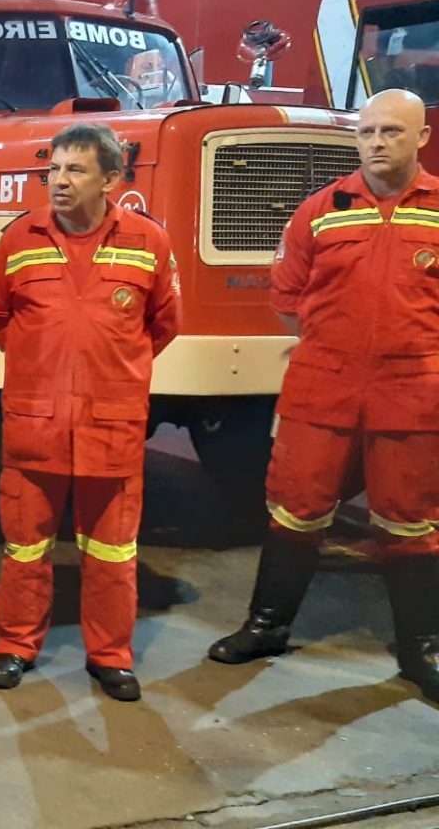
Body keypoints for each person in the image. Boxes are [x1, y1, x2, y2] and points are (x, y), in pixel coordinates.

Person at [208, 89, 439, 704]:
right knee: (294, 506)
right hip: (323, 386)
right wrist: (337, 348)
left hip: (413, 391)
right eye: (367, 131)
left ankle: (422, 648)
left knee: (411, 517)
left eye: (392, 131)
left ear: (421, 137)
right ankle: (265, 627)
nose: (376, 142)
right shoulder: (321, 210)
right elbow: (287, 298)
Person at [0, 122, 180, 702]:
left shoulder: (148, 242)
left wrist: (111, 369)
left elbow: (163, 324)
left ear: (111, 179)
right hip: (35, 423)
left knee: (112, 552)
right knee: (24, 547)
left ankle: (110, 656)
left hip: (111, 426)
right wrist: (41, 366)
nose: (59, 181)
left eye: (75, 170)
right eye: (55, 169)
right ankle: (15, 646)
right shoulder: (19, 239)